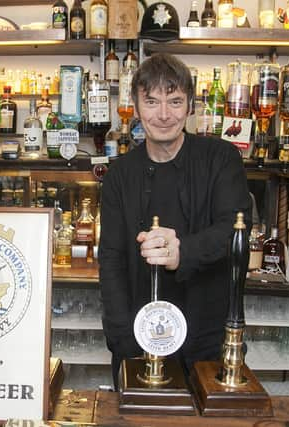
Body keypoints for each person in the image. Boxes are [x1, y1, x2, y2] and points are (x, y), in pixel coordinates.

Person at [98, 53, 252, 388]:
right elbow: (110, 259)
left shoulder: (222, 158)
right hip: (137, 340)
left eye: (175, 101)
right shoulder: (119, 175)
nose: (164, 114)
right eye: (151, 101)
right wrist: (123, 340)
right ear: (136, 108)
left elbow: (235, 229)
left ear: (191, 106)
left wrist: (184, 250)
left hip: (209, 340)